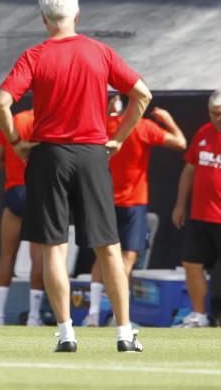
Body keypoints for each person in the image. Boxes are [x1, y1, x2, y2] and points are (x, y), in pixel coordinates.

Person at [0, 0, 152, 353]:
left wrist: (16, 141)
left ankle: (66, 333)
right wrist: (121, 137)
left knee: (53, 249)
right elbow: (142, 94)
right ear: (77, 15)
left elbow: (1, 103)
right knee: (108, 247)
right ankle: (125, 334)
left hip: (50, 156)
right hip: (93, 153)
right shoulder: (100, 51)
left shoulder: (35, 55)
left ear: (44, 18)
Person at [84, 95, 187, 326]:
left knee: (103, 258)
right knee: (126, 259)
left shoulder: (99, 126)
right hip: (130, 203)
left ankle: (95, 313)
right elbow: (181, 142)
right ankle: (118, 316)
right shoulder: (141, 127)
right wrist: (168, 120)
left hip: (106, 201)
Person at [0, 108, 45, 327]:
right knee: (38, 257)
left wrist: (12, 165)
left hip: (15, 192)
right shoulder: (50, 121)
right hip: (39, 192)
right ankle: (33, 317)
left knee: (6, 256)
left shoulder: (14, 121)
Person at [172, 89, 221, 328]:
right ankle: (199, 316)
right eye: (213, 114)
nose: (217, 118)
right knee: (191, 264)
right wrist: (181, 204)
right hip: (201, 215)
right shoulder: (203, 133)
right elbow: (190, 169)